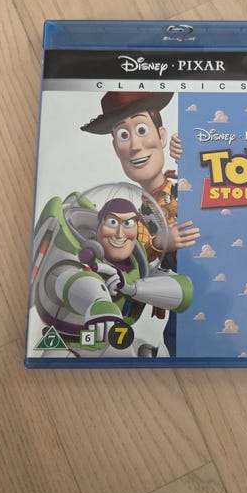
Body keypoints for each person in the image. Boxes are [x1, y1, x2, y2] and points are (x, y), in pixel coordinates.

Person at [54, 197, 193, 346]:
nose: (120, 234)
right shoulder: (81, 256)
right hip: (67, 343)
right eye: (112, 222)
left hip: (112, 343)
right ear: (99, 225)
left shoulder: (137, 263)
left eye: (128, 224)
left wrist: (132, 288)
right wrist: (100, 302)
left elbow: (184, 292)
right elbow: (67, 279)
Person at [81, 91, 200, 264]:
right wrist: (159, 243)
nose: (135, 146)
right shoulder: (137, 218)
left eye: (141, 130)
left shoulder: (187, 186)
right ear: (116, 148)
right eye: (123, 135)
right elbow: (131, 259)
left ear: (162, 136)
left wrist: (195, 157)